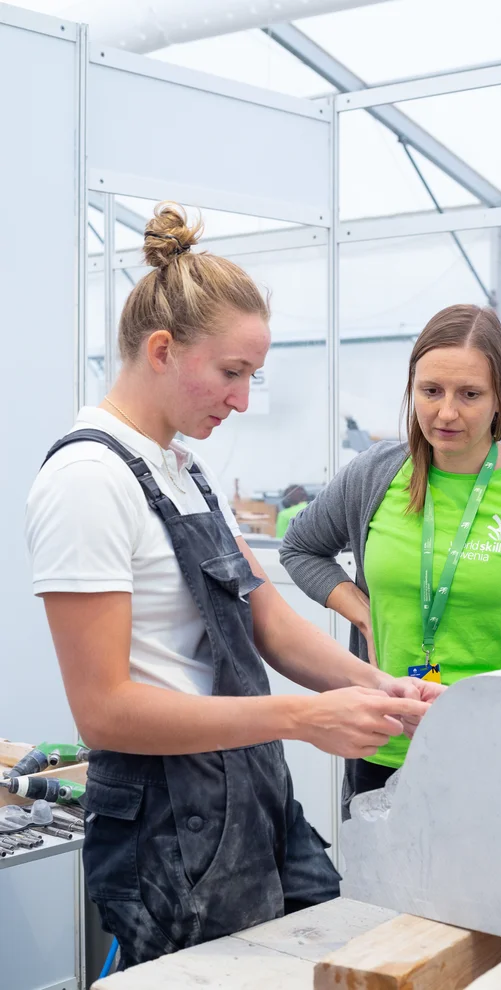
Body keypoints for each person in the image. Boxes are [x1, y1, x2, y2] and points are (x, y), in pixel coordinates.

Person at [25, 203, 431, 970]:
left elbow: (268, 621)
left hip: (251, 796)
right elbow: (104, 710)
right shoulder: (88, 479)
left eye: (253, 376)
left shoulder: (182, 470)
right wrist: (306, 718)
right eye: (232, 373)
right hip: (166, 829)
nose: (244, 399)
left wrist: (378, 689)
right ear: (161, 349)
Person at [280, 304, 501, 816]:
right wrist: (360, 609)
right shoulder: (376, 475)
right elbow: (300, 548)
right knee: (385, 897)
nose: (446, 413)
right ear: (412, 389)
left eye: (470, 394)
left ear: (500, 396)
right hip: (387, 750)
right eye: (431, 391)